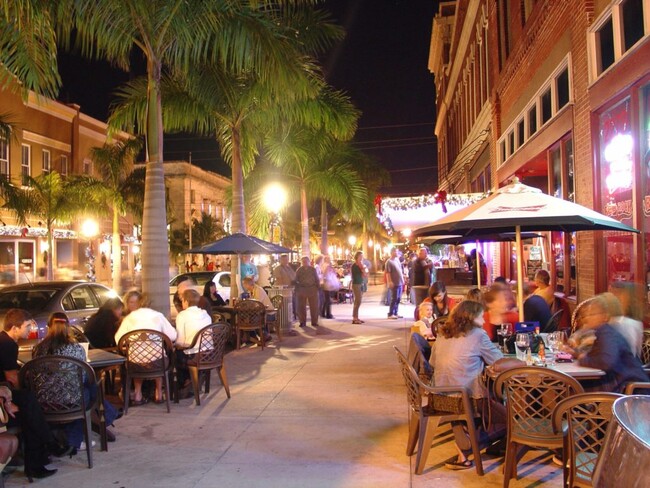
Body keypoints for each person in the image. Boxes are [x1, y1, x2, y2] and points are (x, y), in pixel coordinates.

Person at [431, 300, 505, 470]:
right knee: (512, 420)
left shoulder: (443, 333)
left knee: (480, 405)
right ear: (471, 318)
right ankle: (469, 444)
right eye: (481, 317)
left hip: (440, 396)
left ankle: (465, 444)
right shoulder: (478, 335)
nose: (484, 320)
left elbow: (433, 362)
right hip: (466, 398)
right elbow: (498, 361)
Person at [0, 309, 73, 480]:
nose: (29, 330)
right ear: (14, 328)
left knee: (31, 410)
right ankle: (47, 449)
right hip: (4, 392)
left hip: (4, 390)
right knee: (31, 406)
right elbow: (11, 376)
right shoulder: (8, 344)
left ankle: (40, 458)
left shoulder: (3, 340)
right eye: (26, 326)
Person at [33, 313, 120, 450]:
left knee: (82, 389)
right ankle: (103, 418)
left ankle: (75, 436)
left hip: (44, 400)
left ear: (49, 327)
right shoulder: (77, 349)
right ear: (68, 328)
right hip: (72, 401)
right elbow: (84, 377)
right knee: (88, 387)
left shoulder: (38, 349)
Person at [564, 294, 647, 393]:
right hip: (618, 383)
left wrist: (582, 359)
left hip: (626, 388)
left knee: (569, 387)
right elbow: (596, 355)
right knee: (569, 386)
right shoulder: (602, 332)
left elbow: (606, 362)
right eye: (585, 315)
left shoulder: (607, 333)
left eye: (592, 314)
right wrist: (576, 353)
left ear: (604, 316)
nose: (587, 318)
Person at [114, 294, 178, 405]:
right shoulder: (158, 316)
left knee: (136, 358)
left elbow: (118, 339)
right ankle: (158, 393)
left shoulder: (130, 318)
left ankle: (138, 394)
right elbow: (172, 336)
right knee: (159, 356)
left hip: (135, 364)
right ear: (150, 304)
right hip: (157, 364)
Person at [175, 289, 213, 394]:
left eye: (182, 301)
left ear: (186, 301)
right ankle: (193, 379)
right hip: (210, 354)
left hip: (194, 357)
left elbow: (181, 342)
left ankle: (184, 385)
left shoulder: (182, 316)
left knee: (175, 354)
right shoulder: (205, 314)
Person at [609, 282, 644, 357]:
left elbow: (629, 352)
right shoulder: (618, 319)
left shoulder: (628, 323)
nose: (615, 297)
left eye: (619, 294)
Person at [294, 257, 320, 328]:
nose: (305, 263)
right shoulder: (299, 270)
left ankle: (314, 322)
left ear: (309, 262)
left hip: (312, 289)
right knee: (301, 307)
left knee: (314, 307)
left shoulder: (313, 270)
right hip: (302, 289)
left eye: (306, 261)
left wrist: (317, 287)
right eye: (303, 261)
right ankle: (302, 322)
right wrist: (297, 289)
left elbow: (317, 279)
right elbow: (296, 279)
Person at [273, 254, 297, 321]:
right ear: (280, 260)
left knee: (291, 306)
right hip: (283, 291)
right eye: (284, 260)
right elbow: (279, 279)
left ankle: (290, 319)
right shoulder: (278, 269)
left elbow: (294, 276)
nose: (285, 261)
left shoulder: (289, 268)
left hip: (290, 290)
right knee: (284, 307)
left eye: (286, 259)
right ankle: (283, 320)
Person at [385, 247, 405, 319]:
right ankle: (390, 313)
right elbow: (388, 273)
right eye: (396, 252)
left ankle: (396, 312)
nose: (397, 253)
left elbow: (399, 269)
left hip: (399, 282)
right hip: (394, 283)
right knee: (394, 298)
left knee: (398, 298)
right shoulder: (389, 262)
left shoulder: (397, 260)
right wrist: (390, 281)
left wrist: (403, 278)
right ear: (392, 252)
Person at [351, 251, 368, 324]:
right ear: (357, 257)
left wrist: (363, 268)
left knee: (358, 301)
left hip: (361, 283)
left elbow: (365, 274)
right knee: (358, 301)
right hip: (356, 284)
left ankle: (356, 317)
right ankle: (355, 318)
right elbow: (362, 273)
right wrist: (362, 269)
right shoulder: (355, 266)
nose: (361, 258)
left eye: (362, 256)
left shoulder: (361, 265)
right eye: (360, 256)